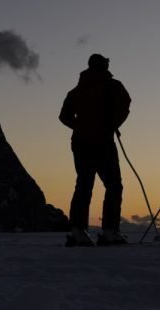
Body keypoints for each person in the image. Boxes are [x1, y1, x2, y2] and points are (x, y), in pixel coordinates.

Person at [60, 54, 131, 246]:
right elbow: (126, 105)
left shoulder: (76, 91)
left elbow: (64, 116)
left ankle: (78, 231)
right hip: (103, 143)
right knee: (114, 185)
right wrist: (111, 125)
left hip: (80, 143)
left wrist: (81, 126)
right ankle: (109, 231)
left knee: (83, 184)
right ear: (105, 66)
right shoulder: (114, 86)